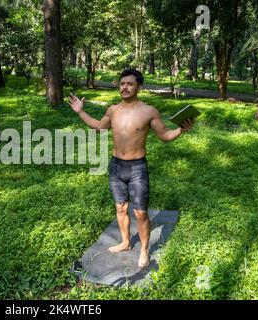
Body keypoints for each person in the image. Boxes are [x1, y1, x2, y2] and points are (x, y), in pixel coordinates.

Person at [68, 68, 194, 268]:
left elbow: (165, 136)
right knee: (120, 207)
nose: (124, 87)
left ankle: (144, 250)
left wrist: (181, 129)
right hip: (116, 166)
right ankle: (126, 242)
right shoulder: (113, 110)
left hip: (137, 168)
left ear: (138, 87)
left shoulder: (149, 111)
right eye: (122, 84)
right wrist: (81, 112)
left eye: (130, 84)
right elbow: (100, 128)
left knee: (140, 212)